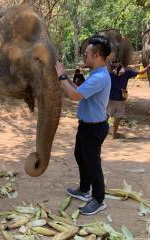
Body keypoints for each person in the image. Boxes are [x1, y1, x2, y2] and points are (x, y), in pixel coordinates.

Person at [55, 35, 112, 215]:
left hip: (94, 128)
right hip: (87, 125)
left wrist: (62, 76)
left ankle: (98, 199)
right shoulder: (95, 74)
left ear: (97, 56)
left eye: (86, 54)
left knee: (93, 163)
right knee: (80, 156)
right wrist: (67, 79)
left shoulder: (100, 77)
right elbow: (79, 89)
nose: (84, 56)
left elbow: (75, 96)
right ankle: (84, 189)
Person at [107, 59, 150, 139]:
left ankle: (102, 130)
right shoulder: (126, 73)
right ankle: (114, 134)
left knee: (106, 115)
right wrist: (148, 66)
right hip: (121, 99)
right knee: (117, 118)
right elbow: (141, 72)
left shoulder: (109, 75)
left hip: (111, 99)